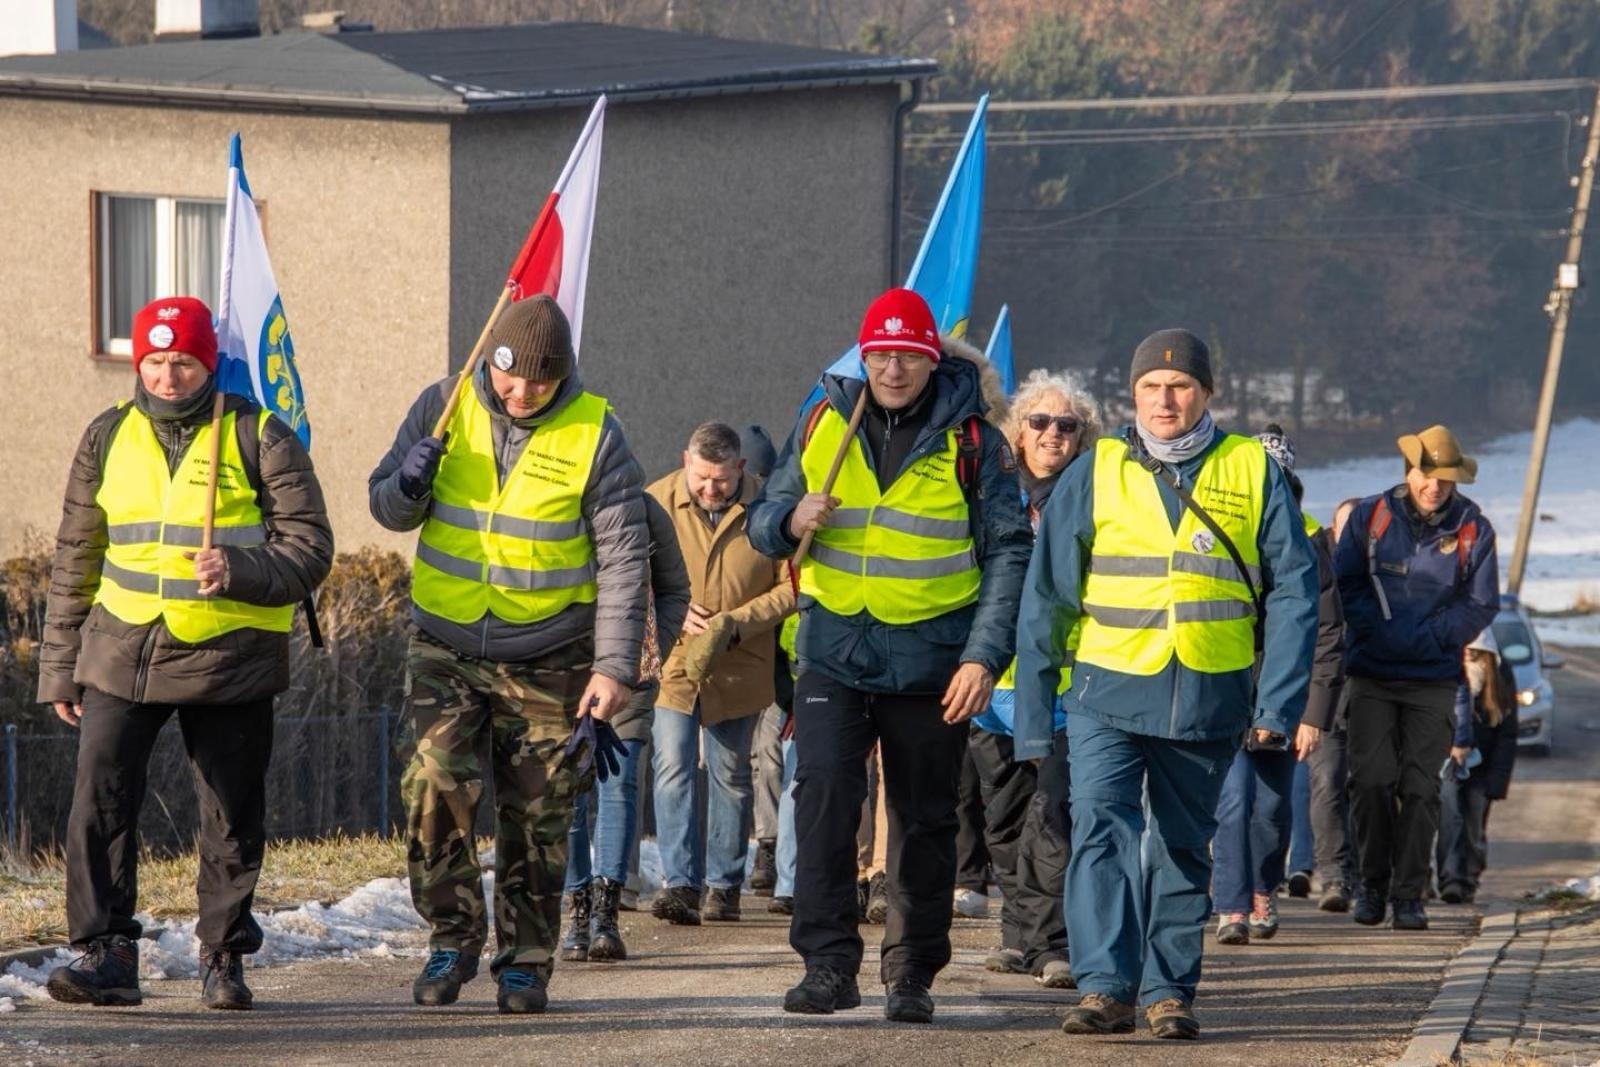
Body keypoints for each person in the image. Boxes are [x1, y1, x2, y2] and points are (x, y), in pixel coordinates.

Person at [1015, 328, 1318, 1040]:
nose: (1165, 399)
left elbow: (1296, 594)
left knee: (1181, 846)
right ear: (1133, 394)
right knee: (1100, 830)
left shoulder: (1251, 467)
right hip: (1105, 693)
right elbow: (1048, 596)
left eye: (1180, 386)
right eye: (1151, 386)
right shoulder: (1098, 467)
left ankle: (1168, 989)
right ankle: (1105, 986)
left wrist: (1276, 703)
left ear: (1207, 393)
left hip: (1209, 694)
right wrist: (1035, 714)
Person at [37, 296, 333, 1010]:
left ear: (210, 363)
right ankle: (107, 953)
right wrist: (61, 666)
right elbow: (77, 556)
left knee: (231, 809)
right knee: (100, 798)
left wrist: (240, 568)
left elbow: (311, 548)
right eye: (156, 360)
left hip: (229, 655)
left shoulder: (259, 434)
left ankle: (223, 956)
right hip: (119, 648)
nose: (169, 376)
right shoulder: (106, 435)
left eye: (185, 362)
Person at [749, 287, 1032, 1023]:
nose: (894, 368)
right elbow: (761, 522)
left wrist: (982, 657)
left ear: (932, 358)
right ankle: (827, 963)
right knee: (823, 804)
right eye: (881, 353)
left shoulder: (978, 441)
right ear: (863, 355)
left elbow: (1008, 552)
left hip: (933, 658)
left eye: (909, 354)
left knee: (922, 818)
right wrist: (789, 516)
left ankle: (911, 971)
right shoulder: (821, 420)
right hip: (834, 650)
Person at [368, 294, 649, 1013]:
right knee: (432, 786)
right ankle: (450, 936)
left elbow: (624, 556)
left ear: (563, 377)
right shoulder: (444, 400)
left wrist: (614, 667)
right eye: (509, 375)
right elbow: (386, 506)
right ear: (489, 358)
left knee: (540, 812)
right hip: (445, 640)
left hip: (552, 650)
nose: (520, 391)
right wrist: (409, 481)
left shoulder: (598, 434)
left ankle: (525, 960)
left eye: (539, 382)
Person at [1334, 425, 1498, 932]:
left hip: (1433, 680)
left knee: (1422, 790)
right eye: (1427, 475)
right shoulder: (1372, 515)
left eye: (1445, 480)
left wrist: (1429, 636)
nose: (1435, 487)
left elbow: (1481, 602)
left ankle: (1409, 895)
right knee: (1372, 782)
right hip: (1371, 675)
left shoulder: (1475, 528)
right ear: (1410, 470)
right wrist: (1378, 628)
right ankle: (1372, 886)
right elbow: (1346, 582)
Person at [974, 368, 1099, 988]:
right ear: (1017, 432)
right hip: (992, 686)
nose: (1053, 433)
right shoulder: (991, 491)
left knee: (1053, 814)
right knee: (1003, 818)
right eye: (1041, 422)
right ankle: (1018, 935)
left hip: (1062, 684)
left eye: (1067, 425)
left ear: (1083, 437)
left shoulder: (1095, 495)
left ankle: (1052, 943)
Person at [649, 422, 794, 925]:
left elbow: (791, 587)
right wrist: (669, 607)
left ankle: (722, 885)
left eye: (722, 481)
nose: (711, 490)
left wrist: (738, 622)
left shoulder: (772, 506)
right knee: (671, 767)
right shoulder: (656, 501)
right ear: (686, 461)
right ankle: (679, 883)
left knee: (731, 774)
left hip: (740, 661)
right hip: (676, 660)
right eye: (702, 479)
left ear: (740, 469)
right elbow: (629, 570)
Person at [1211, 425, 1343, 945]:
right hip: (1225, 683)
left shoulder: (1311, 537)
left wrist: (1313, 712)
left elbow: (1328, 631)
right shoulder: (1221, 518)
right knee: (1231, 799)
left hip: (1283, 691)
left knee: (1268, 806)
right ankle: (1231, 904)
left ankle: (1264, 887)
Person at [560, 492, 690, 962]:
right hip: (563, 672)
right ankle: (576, 909)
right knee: (570, 791)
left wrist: (657, 648)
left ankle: (606, 913)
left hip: (631, 671)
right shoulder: (556, 501)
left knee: (619, 784)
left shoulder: (644, 508)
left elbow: (676, 588)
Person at [1435, 629, 1519, 905]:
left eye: (1476, 649)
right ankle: (1451, 879)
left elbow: (1507, 735)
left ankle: (1469, 877)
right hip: (1448, 763)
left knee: (1473, 827)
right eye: (1465, 648)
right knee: (1450, 818)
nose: (1469, 653)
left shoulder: (1499, 680)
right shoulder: (1445, 673)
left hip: (1483, 770)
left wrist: (1498, 781)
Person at [741, 424, 786, 899]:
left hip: (776, 664)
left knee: (769, 758)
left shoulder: (778, 519)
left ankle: (768, 845)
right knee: (741, 764)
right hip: (733, 659)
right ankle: (755, 846)